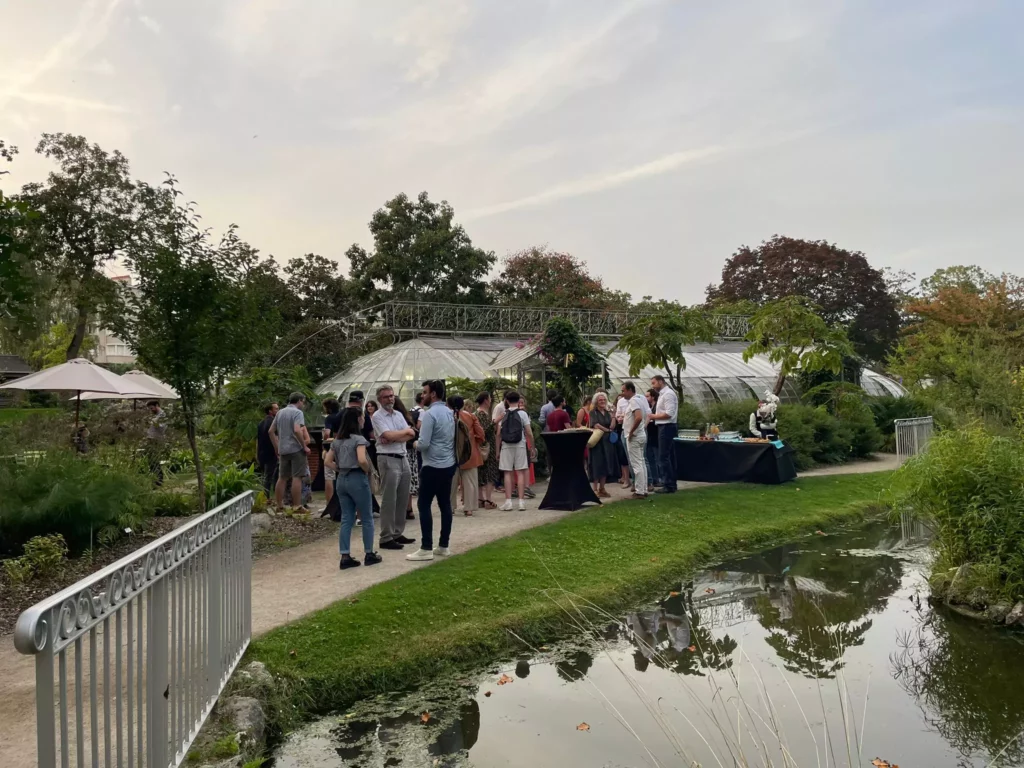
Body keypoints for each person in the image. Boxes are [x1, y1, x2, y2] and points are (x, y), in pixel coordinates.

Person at [324, 408, 381, 570]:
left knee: (347, 518)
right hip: (357, 478)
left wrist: (340, 469)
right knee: (367, 517)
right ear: (357, 420)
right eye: (362, 417)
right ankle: (369, 553)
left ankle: (345, 555)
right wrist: (366, 469)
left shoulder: (336, 441)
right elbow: (362, 459)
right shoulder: (359, 439)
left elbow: (327, 461)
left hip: (342, 478)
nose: (364, 419)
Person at [407, 379, 456, 561]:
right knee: (445, 505)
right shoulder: (450, 413)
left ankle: (426, 547)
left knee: (423, 504)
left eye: (425, 392)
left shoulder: (429, 414)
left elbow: (424, 444)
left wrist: (414, 443)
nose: (423, 395)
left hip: (432, 465)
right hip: (448, 464)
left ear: (433, 394)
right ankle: (443, 545)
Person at [372, 386, 416, 550]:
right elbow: (388, 435)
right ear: (379, 399)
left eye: (391, 396)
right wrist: (400, 435)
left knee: (403, 497)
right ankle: (386, 537)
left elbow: (411, 433)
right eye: (386, 397)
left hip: (402, 457)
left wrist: (395, 436)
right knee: (389, 499)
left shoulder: (398, 414)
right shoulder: (377, 416)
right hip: (387, 459)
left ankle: (397, 532)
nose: (390, 399)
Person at [270, 392, 311, 512]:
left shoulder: (280, 412)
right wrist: (304, 446)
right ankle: (297, 505)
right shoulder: (298, 413)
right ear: (299, 400)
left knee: (282, 477)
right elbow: (297, 430)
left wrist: (277, 447)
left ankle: (279, 505)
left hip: (283, 450)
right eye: (303, 401)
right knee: (297, 477)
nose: (303, 404)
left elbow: (271, 431)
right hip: (295, 449)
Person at [448, 395, 485, 516]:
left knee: (451, 482)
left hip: (450, 454)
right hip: (469, 453)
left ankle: (450, 507)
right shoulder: (470, 416)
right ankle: (468, 508)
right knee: (470, 482)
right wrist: (473, 442)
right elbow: (481, 434)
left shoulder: (447, 416)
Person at [497, 390, 533, 511]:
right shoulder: (523, 414)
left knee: (507, 472)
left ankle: (508, 501)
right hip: (520, 444)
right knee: (521, 471)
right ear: (519, 401)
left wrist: (497, 450)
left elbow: (498, 434)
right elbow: (529, 432)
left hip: (506, 445)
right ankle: (521, 502)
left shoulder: (503, 414)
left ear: (506, 401)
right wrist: (532, 446)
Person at [650, 375, 679, 493]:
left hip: (667, 426)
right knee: (668, 456)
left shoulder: (668, 394)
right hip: (663, 426)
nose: (653, 386)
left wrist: (653, 416)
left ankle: (669, 484)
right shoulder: (662, 394)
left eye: (654, 383)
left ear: (661, 382)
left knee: (663, 457)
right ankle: (670, 483)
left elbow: (669, 413)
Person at [622, 381, 650, 499]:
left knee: (636, 464)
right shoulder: (640, 399)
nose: (622, 393)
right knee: (641, 462)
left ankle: (639, 491)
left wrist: (631, 432)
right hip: (640, 434)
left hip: (635, 436)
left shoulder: (634, 401)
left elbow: (638, 417)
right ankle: (643, 489)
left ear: (629, 390)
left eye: (623, 390)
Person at [587, 392, 618, 498]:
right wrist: (607, 430)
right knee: (597, 464)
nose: (602, 402)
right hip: (598, 442)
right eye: (600, 400)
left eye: (604, 400)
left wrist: (613, 416)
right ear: (596, 401)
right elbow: (596, 424)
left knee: (606, 463)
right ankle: (595, 489)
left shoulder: (607, 412)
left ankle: (602, 488)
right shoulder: (593, 412)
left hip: (607, 442)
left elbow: (613, 426)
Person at [393, 395, 418, 519]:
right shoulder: (408, 416)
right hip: (410, 452)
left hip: (402, 451)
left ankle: (403, 509)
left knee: (401, 481)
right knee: (408, 482)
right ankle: (409, 508)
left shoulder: (396, 418)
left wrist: (396, 437)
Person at [474, 391, 499, 509]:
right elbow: (484, 430)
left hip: (480, 447)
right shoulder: (482, 414)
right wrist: (496, 421)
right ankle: (488, 499)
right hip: (488, 446)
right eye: (489, 398)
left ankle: (480, 498)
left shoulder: (475, 413)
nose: (490, 401)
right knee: (490, 472)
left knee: (480, 472)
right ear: (485, 400)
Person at [321, 398, 342, 507]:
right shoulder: (343, 415)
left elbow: (327, 433)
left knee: (329, 475)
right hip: (344, 447)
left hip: (332, 447)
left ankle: (329, 503)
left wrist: (325, 437)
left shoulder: (329, 418)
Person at [256, 402, 280, 496]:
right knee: (272, 476)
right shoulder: (273, 422)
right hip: (271, 451)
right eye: (276, 409)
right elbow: (276, 437)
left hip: (262, 452)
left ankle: (267, 496)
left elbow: (257, 439)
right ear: (270, 411)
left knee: (266, 476)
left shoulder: (261, 423)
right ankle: (267, 496)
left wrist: (257, 452)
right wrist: (277, 450)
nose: (278, 411)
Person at [145, 400, 168, 486]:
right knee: (150, 460)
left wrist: (156, 424)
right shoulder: (155, 415)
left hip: (156, 440)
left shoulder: (163, 415)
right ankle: (154, 479)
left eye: (152, 408)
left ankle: (158, 480)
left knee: (154, 460)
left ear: (157, 405)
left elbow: (163, 428)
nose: (151, 410)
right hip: (151, 439)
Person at [613, 394, 632, 487]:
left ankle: (628, 479)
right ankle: (625, 478)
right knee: (622, 455)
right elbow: (617, 417)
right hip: (620, 430)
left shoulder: (633, 403)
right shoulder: (617, 408)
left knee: (628, 456)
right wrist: (617, 417)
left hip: (628, 430)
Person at [645, 389, 662, 488]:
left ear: (653, 397)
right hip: (649, 436)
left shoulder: (657, 407)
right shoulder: (649, 407)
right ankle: (655, 479)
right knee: (650, 458)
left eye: (648, 396)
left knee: (657, 458)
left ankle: (661, 478)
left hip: (655, 435)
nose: (646, 398)